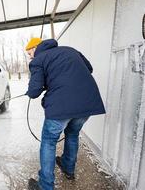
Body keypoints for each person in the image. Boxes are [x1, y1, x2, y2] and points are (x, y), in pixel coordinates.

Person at [25, 38, 106, 190]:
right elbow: (89, 68)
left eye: (30, 52)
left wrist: (31, 91)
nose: (30, 56)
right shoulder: (71, 50)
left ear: (36, 47)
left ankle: (45, 185)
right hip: (86, 102)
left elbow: (34, 92)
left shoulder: (38, 60)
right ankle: (68, 168)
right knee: (73, 134)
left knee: (49, 142)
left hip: (61, 106)